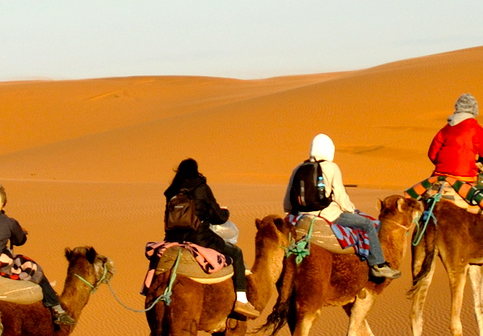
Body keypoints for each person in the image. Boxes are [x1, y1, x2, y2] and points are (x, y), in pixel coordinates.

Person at [0, 183, 75, 327]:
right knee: (34, 268)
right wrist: (19, 231)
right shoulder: (9, 222)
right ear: (3, 203)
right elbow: (20, 240)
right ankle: (57, 309)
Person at [285, 133, 397, 282]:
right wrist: (351, 210)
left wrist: (292, 211)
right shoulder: (331, 167)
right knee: (368, 224)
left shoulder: (299, 167)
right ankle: (378, 265)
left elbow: (288, 200)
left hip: (301, 213)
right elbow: (339, 195)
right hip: (328, 214)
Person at [162, 157, 262, 319]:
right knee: (236, 253)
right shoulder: (201, 188)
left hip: (172, 238)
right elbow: (218, 217)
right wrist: (225, 212)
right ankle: (242, 300)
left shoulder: (171, 191)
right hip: (199, 238)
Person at [420, 93, 483, 242]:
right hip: (464, 177)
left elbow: (432, 154)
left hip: (439, 176)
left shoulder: (445, 129)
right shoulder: (474, 128)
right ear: (474, 109)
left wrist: (445, 164)